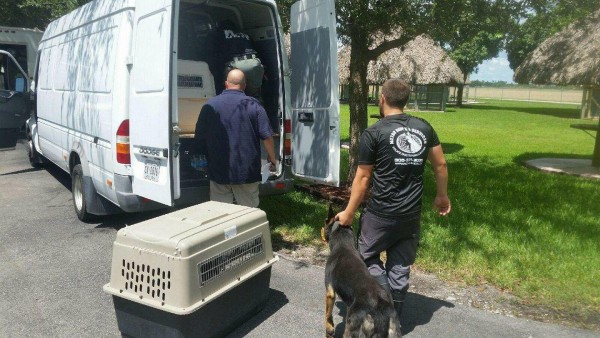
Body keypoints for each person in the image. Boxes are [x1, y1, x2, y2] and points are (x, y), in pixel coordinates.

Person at [335, 78, 451, 320]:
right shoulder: (424, 127)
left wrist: (348, 212)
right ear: (405, 101)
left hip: (380, 214)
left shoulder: (374, 132)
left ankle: (380, 306)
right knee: (400, 265)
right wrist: (442, 196)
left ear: (382, 99)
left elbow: (363, 178)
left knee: (366, 258)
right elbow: (440, 164)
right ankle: (394, 318)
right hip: (410, 215)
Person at [194, 69, 277, 208]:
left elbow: (200, 136)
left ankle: (224, 229)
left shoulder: (210, 105)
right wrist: (272, 157)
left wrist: (203, 160)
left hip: (218, 169)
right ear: (244, 85)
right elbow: (267, 136)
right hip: (247, 172)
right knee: (249, 212)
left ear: (226, 84)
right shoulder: (254, 105)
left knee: (220, 212)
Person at [215, 20, 264, 98]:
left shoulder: (218, 34)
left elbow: (212, 52)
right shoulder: (244, 34)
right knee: (255, 95)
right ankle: (258, 108)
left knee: (232, 95)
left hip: (236, 65)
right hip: (254, 63)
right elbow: (257, 49)